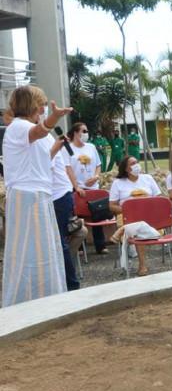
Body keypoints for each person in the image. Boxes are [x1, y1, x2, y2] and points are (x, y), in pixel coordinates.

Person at [2, 86, 72, 307]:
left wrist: (56, 148)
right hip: (27, 196)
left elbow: (40, 161)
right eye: (41, 104)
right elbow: (38, 133)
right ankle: (29, 301)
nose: (43, 108)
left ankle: (45, 297)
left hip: (39, 194)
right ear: (32, 105)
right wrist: (54, 117)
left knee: (43, 250)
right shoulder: (18, 127)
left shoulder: (30, 128)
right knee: (30, 252)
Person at [109, 156, 162, 276]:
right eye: (133, 163)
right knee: (137, 226)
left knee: (139, 225)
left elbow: (159, 199)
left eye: (137, 162)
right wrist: (129, 209)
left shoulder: (148, 178)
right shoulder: (118, 183)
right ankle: (143, 264)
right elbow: (112, 206)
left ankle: (121, 231)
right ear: (126, 169)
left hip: (149, 216)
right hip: (128, 217)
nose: (137, 165)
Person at [64, 122, 108, 255]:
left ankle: (100, 245)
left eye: (86, 131)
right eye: (83, 131)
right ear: (76, 133)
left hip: (93, 187)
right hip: (78, 188)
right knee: (78, 217)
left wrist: (96, 176)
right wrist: (76, 186)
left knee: (97, 216)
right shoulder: (68, 148)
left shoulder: (91, 147)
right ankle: (80, 247)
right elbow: (68, 168)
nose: (86, 134)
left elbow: (98, 165)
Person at [49, 134, 81, 291]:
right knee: (56, 242)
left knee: (59, 242)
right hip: (56, 196)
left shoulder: (46, 140)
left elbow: (44, 165)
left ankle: (71, 285)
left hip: (58, 196)